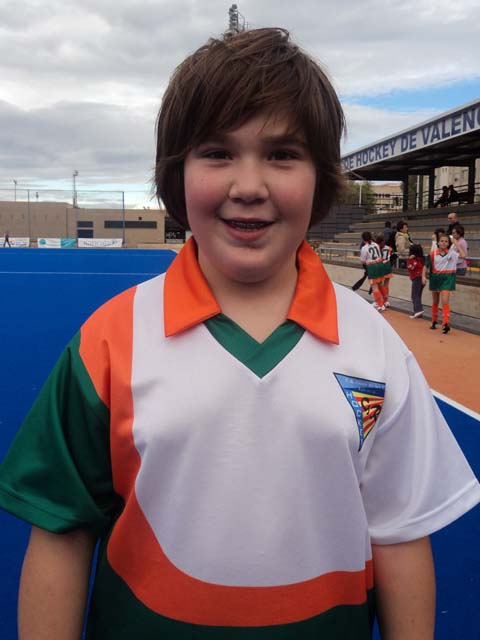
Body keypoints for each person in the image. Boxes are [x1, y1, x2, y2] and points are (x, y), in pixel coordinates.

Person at [0, 27, 479, 640]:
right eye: (217, 152)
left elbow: (401, 533)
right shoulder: (110, 339)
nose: (249, 186)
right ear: (176, 174)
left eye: (282, 154)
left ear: (321, 176)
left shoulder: (375, 343)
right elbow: (62, 532)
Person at [427, 232, 467, 334]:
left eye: (446, 241)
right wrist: (423, 276)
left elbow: (463, 256)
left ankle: (445, 323)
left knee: (445, 301)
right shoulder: (433, 254)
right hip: (436, 279)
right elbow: (426, 265)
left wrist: (456, 243)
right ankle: (434, 320)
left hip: (447, 280)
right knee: (435, 301)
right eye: (442, 241)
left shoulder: (452, 254)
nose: (444, 243)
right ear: (438, 243)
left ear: (448, 243)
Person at [360, 231, 385, 311]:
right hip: (380, 264)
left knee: (374, 286)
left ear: (363, 239)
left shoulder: (364, 248)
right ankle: (385, 301)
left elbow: (363, 261)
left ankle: (380, 305)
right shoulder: (376, 244)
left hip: (372, 266)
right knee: (380, 284)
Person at [407, 244, 426, 318]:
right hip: (421, 278)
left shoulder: (414, 260)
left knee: (414, 295)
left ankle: (418, 310)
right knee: (418, 295)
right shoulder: (422, 259)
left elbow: (410, 268)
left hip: (417, 278)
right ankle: (417, 312)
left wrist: (410, 260)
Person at [375, 233, 393, 308]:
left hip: (381, 266)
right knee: (386, 284)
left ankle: (382, 300)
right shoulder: (389, 248)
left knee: (379, 284)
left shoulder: (377, 248)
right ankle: (386, 301)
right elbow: (390, 257)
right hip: (387, 266)